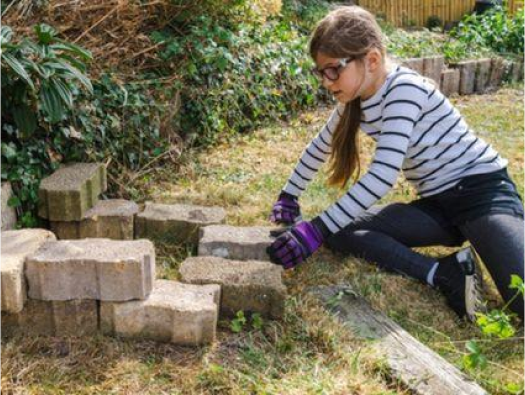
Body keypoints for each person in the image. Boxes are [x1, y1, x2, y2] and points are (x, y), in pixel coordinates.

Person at [267, 5, 525, 323]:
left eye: (332, 69)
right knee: (339, 233)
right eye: (320, 72)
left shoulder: (404, 89)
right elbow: (321, 146)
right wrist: (289, 195)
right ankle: (444, 274)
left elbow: (383, 175)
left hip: (481, 193)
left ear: (372, 60)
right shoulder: (355, 98)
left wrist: (314, 229)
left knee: (521, 300)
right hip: (438, 206)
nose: (325, 80)